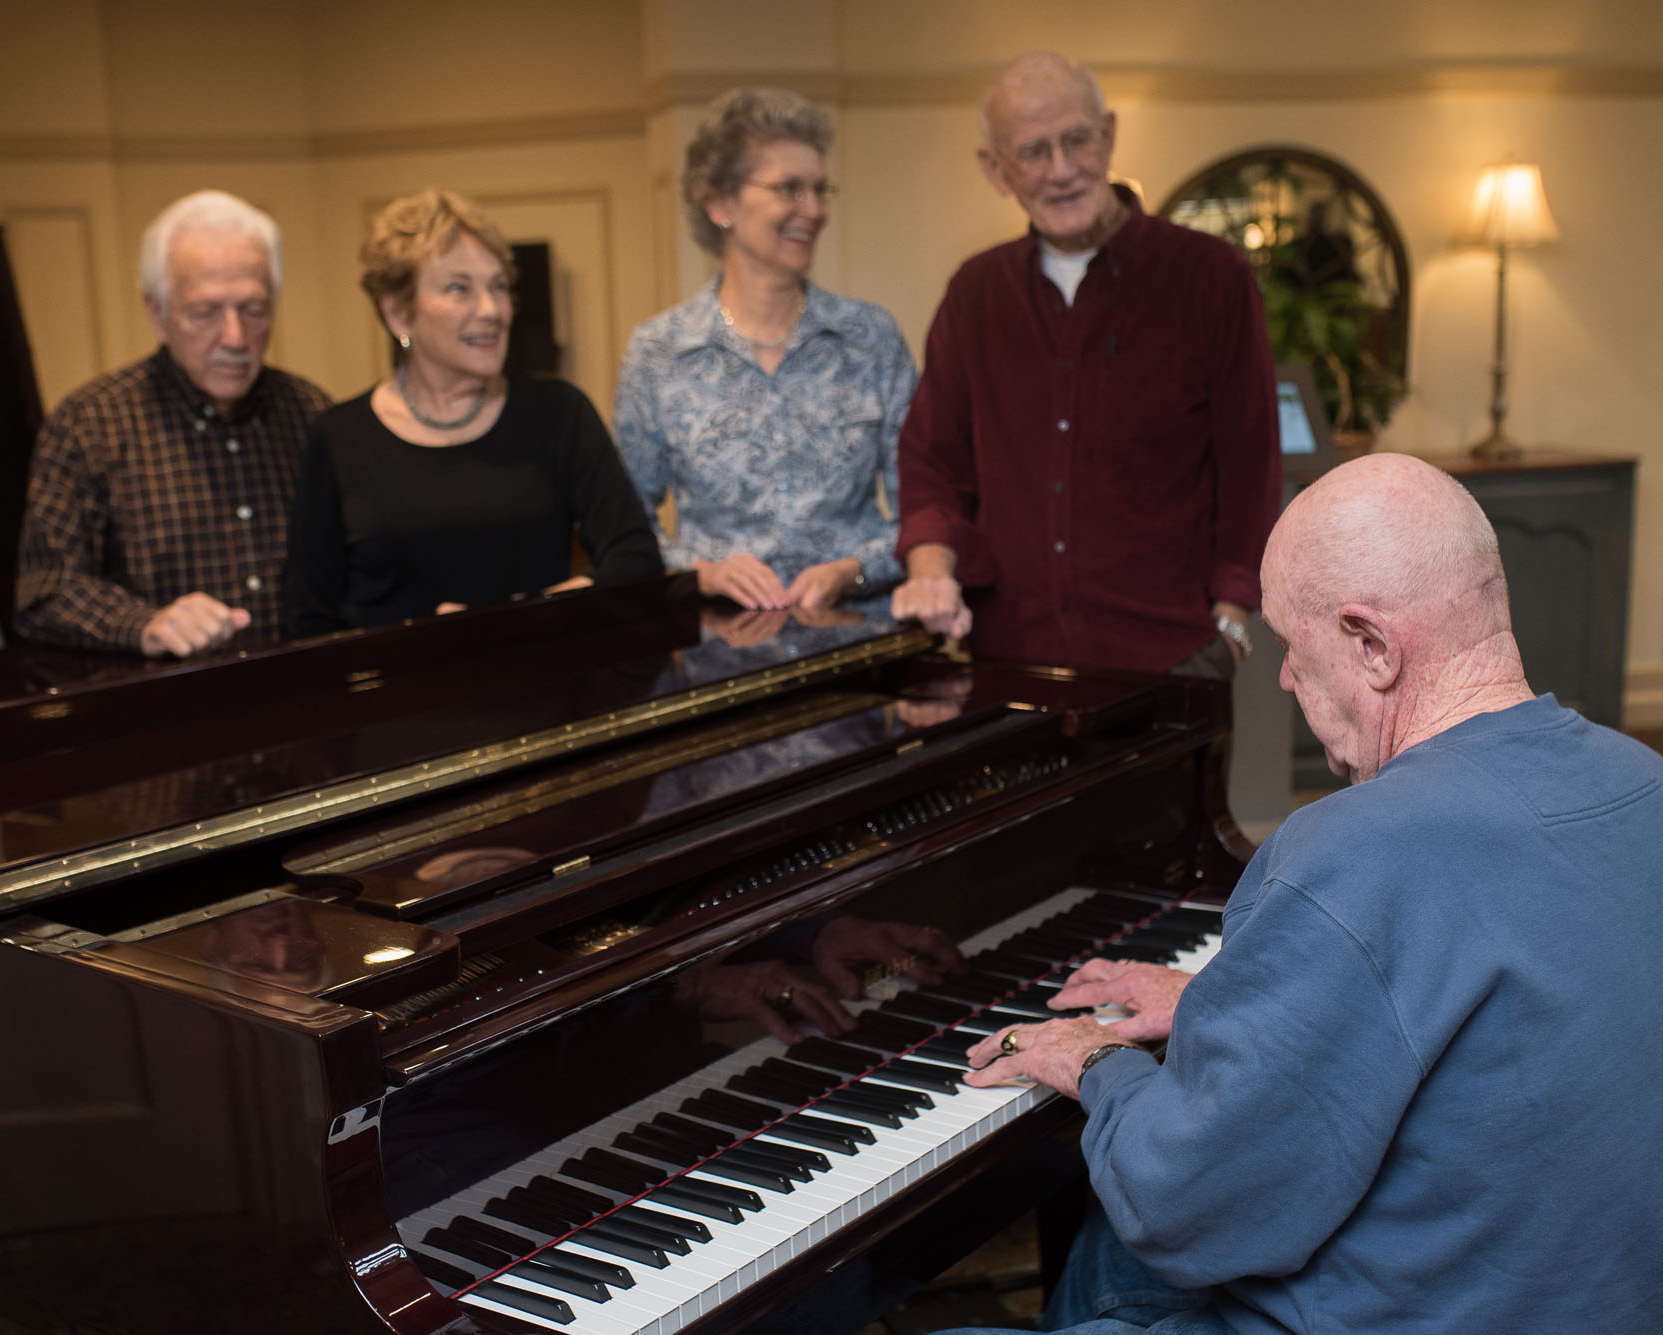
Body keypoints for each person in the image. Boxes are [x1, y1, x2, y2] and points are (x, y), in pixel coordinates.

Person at [939, 453, 1663, 1334]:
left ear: (1373, 646)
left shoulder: (1356, 849)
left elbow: (1184, 1209)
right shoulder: (1640, 778)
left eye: (1291, 642)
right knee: (1105, 1256)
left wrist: (1097, 1062)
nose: (1282, 677)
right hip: (1570, 1290)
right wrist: (1223, 1004)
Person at [892, 53, 1280, 676]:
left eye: (1077, 140)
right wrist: (930, 567)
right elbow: (933, 461)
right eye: (1033, 152)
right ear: (996, 171)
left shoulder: (1211, 276)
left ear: (1109, 135)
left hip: (1173, 662)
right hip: (1008, 663)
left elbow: (1250, 460)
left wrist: (1231, 623)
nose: (1062, 170)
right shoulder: (974, 294)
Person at [281, 191, 660, 636]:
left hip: (540, 690)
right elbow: (307, 616)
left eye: (498, 286)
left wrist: (521, 619)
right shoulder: (339, 437)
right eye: (459, 288)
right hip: (398, 699)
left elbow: (636, 560)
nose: (492, 310)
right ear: (398, 314)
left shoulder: (558, 412)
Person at [614, 87, 915, 613]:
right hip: (718, 661)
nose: (814, 210)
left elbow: (925, 511)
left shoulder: (871, 338)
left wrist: (854, 570)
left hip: (857, 650)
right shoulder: (657, 352)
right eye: (789, 189)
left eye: (821, 189)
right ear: (719, 203)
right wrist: (702, 573)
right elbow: (624, 529)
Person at [14, 190, 330, 656]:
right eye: (205, 313)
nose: (235, 337)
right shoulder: (91, 425)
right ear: (157, 314)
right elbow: (44, 592)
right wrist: (145, 624)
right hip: (161, 706)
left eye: (254, 309)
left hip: (305, 698)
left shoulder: (313, 413)